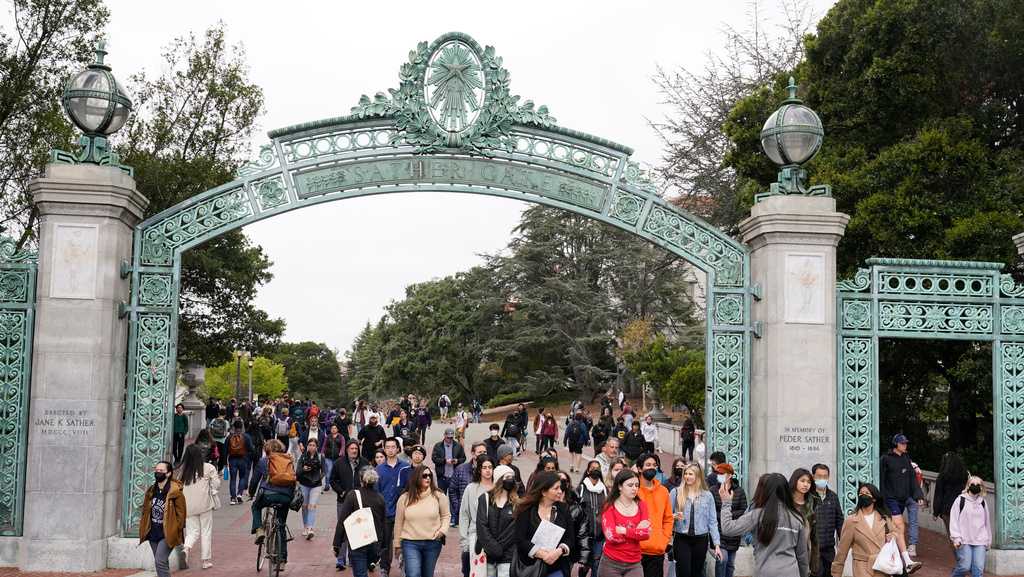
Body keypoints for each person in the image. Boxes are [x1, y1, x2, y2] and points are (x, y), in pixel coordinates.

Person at [720, 472, 808, 577]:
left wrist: (726, 503)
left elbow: (728, 529)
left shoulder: (757, 515)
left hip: (765, 571)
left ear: (766, 491)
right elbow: (802, 556)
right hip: (791, 572)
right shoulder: (796, 518)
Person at [832, 482, 921, 577]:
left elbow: (896, 533)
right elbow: (842, 551)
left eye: (867, 493)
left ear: (874, 498)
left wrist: (892, 535)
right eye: (861, 493)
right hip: (862, 568)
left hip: (882, 567)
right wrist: (836, 573)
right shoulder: (851, 521)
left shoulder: (884, 518)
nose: (863, 495)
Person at [513, 471, 574, 577]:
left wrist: (559, 551)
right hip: (530, 568)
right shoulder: (526, 510)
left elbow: (570, 538)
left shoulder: (563, 509)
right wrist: (542, 554)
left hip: (556, 567)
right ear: (544, 492)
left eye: (560, 488)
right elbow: (520, 539)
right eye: (556, 488)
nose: (560, 491)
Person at [393, 465, 451, 577]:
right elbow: (398, 522)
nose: (428, 478)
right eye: (424, 476)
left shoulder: (439, 495)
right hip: (410, 543)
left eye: (430, 476)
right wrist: (397, 544)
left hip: (433, 543)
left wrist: (442, 531)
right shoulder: (405, 498)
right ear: (417, 477)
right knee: (413, 574)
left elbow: (446, 516)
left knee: (427, 574)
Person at [250, 439, 297, 570]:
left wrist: (250, 493)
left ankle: (259, 530)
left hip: (268, 494)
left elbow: (254, 481)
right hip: (286, 497)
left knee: (256, 506)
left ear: (267, 450)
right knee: (281, 525)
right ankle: (281, 561)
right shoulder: (288, 460)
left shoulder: (263, 461)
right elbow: (293, 480)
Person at [670, 463, 721, 577]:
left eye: (690, 474)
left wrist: (717, 545)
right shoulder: (676, 492)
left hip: (701, 540)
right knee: (684, 573)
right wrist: (674, 516)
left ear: (698, 476)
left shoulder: (708, 496)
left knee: (697, 573)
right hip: (681, 539)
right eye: (686, 474)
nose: (687, 476)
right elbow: (666, 516)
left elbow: (712, 522)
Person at [335, 467, 387, 577]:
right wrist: (383, 545)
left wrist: (337, 544)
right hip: (375, 541)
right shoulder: (380, 498)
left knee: (360, 573)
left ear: (360, 480)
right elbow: (384, 523)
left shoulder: (353, 495)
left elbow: (343, 520)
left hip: (358, 541)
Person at [600, 470, 651, 577]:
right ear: (620, 486)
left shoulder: (642, 505)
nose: (634, 488)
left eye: (637, 485)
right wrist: (636, 532)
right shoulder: (609, 506)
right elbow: (612, 536)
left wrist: (624, 530)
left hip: (634, 563)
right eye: (630, 485)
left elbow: (646, 534)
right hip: (611, 562)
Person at [879, 434, 924, 557]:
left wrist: (918, 495)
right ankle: (901, 552)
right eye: (902, 443)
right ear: (896, 444)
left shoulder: (906, 458)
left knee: (894, 525)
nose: (905, 445)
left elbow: (912, 478)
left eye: (905, 443)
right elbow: (881, 478)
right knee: (899, 525)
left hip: (904, 497)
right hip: (891, 498)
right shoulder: (885, 459)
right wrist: (882, 497)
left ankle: (892, 548)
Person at [139, 460, 185, 577]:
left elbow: (181, 514)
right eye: (156, 470)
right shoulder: (151, 490)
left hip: (167, 533)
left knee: (159, 561)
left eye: (161, 470)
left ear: (168, 473)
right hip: (153, 532)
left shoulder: (175, 492)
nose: (158, 472)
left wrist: (175, 529)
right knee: (162, 562)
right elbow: (146, 510)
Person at [177, 444, 219, 569]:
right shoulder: (208, 467)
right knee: (206, 531)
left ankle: (186, 548)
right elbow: (216, 484)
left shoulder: (183, 471)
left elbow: (179, 486)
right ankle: (205, 561)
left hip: (189, 506)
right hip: (205, 504)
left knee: (192, 531)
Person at [331, 440, 370, 570]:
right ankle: (340, 559)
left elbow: (369, 480)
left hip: (359, 501)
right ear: (347, 450)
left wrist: (365, 494)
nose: (354, 451)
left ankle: (354, 558)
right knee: (343, 528)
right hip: (343, 501)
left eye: (356, 448)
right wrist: (341, 491)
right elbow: (332, 480)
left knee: (357, 529)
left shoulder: (364, 463)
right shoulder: (339, 463)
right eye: (352, 448)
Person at [635, 453, 673, 577]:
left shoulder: (664, 491)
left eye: (654, 465)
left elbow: (668, 519)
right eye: (648, 465)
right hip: (635, 551)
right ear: (639, 468)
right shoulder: (633, 490)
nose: (651, 468)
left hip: (657, 551)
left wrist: (664, 540)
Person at [478, 464, 519, 577]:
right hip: (487, 555)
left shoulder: (517, 503)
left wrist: (499, 549)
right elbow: (481, 527)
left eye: (512, 477)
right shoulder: (485, 498)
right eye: (507, 477)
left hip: (508, 556)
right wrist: (493, 548)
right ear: (499, 480)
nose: (510, 480)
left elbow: (513, 531)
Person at [377, 437, 411, 577]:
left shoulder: (406, 467)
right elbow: (376, 492)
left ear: (398, 449)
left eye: (393, 447)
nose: (390, 450)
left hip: (403, 512)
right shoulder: (379, 469)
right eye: (388, 447)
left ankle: (404, 566)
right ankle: (384, 568)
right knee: (385, 542)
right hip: (385, 512)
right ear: (384, 449)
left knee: (404, 540)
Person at [460, 456, 496, 577]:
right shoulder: (471, 488)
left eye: (490, 467)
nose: (488, 470)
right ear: (479, 469)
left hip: (495, 537)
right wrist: (464, 540)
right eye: (484, 467)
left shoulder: (498, 488)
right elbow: (464, 515)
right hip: (475, 536)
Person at [949, 475, 991, 577]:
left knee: (978, 568)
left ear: (981, 487)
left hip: (980, 540)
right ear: (968, 486)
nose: (975, 486)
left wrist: (988, 540)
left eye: (978, 485)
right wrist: (956, 538)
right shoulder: (960, 500)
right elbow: (954, 519)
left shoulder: (983, 502)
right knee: (964, 566)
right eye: (973, 484)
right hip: (964, 540)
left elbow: (987, 522)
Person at [711, 463, 746, 577]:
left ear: (730, 475)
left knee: (730, 563)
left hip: (733, 532)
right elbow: (711, 511)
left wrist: (728, 514)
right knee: (722, 559)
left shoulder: (739, 491)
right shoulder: (713, 490)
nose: (719, 476)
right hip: (718, 532)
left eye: (722, 473)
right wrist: (723, 514)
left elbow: (743, 510)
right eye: (718, 473)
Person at [934, 452, 969, 559]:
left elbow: (939, 495)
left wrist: (936, 512)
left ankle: (960, 559)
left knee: (953, 536)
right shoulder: (965, 475)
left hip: (947, 509)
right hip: (963, 507)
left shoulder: (942, 476)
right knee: (965, 534)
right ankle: (967, 558)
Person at [811, 464, 844, 577]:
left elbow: (839, 520)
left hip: (829, 548)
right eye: (819, 476)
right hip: (813, 548)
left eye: (825, 476)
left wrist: (842, 540)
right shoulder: (809, 496)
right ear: (813, 477)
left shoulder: (833, 496)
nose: (822, 479)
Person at [557, 470, 592, 574]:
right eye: (557, 480)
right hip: (548, 556)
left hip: (569, 557)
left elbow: (583, 535)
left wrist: (583, 560)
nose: (561, 484)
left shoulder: (576, 508)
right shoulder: (544, 506)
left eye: (564, 481)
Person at [577, 460, 608, 577]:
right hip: (585, 534)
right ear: (588, 470)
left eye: (597, 468)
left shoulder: (604, 489)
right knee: (586, 563)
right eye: (592, 468)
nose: (595, 470)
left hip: (599, 535)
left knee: (596, 562)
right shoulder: (581, 488)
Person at [790, 468, 821, 576]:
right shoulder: (786, 502)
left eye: (808, 482)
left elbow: (814, 536)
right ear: (795, 481)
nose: (805, 484)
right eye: (802, 481)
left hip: (806, 553)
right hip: (788, 554)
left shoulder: (812, 504)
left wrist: (814, 563)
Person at [432, 428, 466, 524]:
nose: (449, 440)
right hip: (442, 476)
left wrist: (457, 461)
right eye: (448, 437)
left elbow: (463, 458)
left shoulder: (458, 446)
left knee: (453, 499)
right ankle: (440, 517)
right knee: (440, 498)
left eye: (451, 438)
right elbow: (434, 458)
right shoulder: (438, 446)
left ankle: (454, 518)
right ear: (444, 436)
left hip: (453, 477)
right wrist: (444, 461)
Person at [297, 438, 324, 539]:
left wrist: (319, 478)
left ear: (317, 447)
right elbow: (297, 472)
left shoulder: (320, 457)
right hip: (304, 483)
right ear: (307, 446)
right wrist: (303, 469)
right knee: (304, 506)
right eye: (310, 445)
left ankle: (310, 528)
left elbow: (324, 471)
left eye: (314, 445)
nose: (311, 447)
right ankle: (305, 526)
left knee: (312, 506)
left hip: (316, 485)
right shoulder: (303, 457)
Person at [226, 419, 255, 505]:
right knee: (242, 477)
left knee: (233, 479)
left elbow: (225, 450)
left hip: (232, 459)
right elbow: (251, 449)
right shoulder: (246, 437)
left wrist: (224, 462)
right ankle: (239, 494)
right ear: (242, 427)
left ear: (234, 427)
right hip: (243, 459)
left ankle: (233, 498)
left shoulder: (229, 437)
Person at [323, 424, 346, 491]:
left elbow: (343, 445)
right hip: (328, 457)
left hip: (337, 458)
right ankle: (327, 485)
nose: (333, 429)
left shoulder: (341, 437)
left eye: (335, 428)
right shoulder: (328, 437)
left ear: (337, 429)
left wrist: (341, 452)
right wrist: (322, 452)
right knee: (329, 471)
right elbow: (324, 445)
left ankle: (336, 485)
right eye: (332, 428)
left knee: (337, 472)